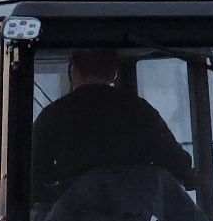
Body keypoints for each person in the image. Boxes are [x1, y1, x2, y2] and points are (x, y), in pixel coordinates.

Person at [30, 48, 196, 191]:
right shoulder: (140, 112)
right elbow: (176, 162)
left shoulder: (53, 115)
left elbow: (32, 175)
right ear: (113, 71)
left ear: (73, 68)